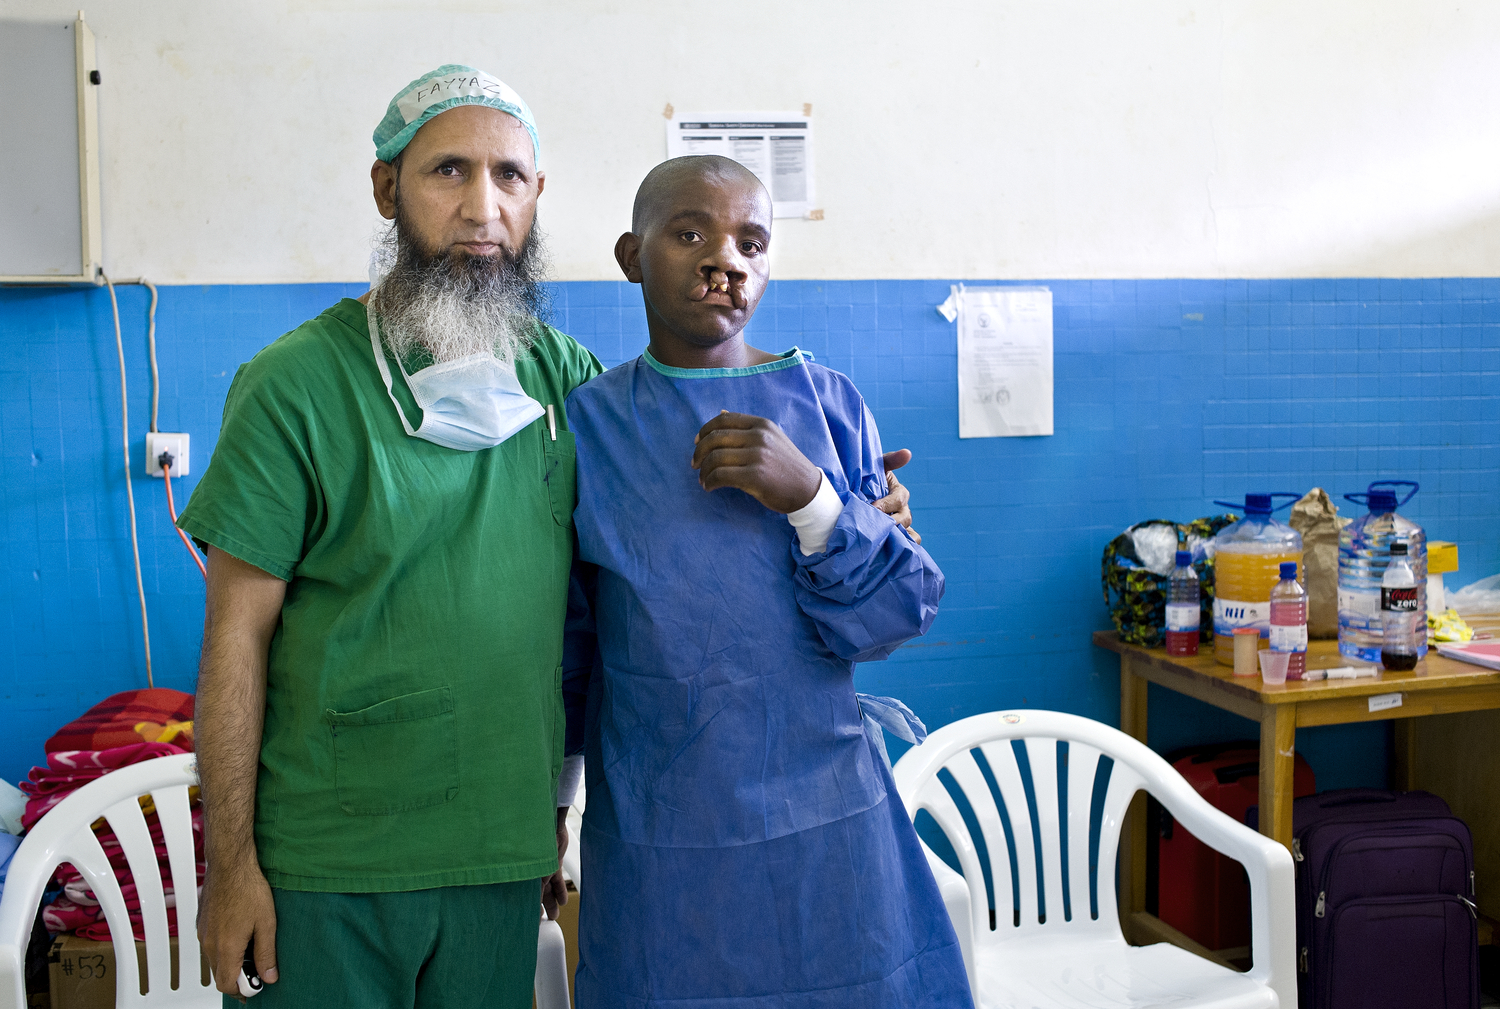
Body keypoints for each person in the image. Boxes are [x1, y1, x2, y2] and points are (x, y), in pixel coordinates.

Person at [181, 68, 920, 1007]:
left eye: (510, 177)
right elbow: (232, 638)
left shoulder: (567, 385)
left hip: (500, 857)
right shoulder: (294, 387)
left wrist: (850, 508)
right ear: (387, 189)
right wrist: (230, 865)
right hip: (331, 860)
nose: (481, 208)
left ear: (537, 201)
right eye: (449, 171)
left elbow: (654, 528)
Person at [562, 156, 973, 1008]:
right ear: (630, 254)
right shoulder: (589, 426)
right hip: (662, 831)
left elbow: (891, 617)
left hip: (829, 816)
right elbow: (567, 644)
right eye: (690, 233)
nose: (727, 259)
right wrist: (549, 810)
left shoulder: (824, 403)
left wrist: (816, 499)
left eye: (752, 240)